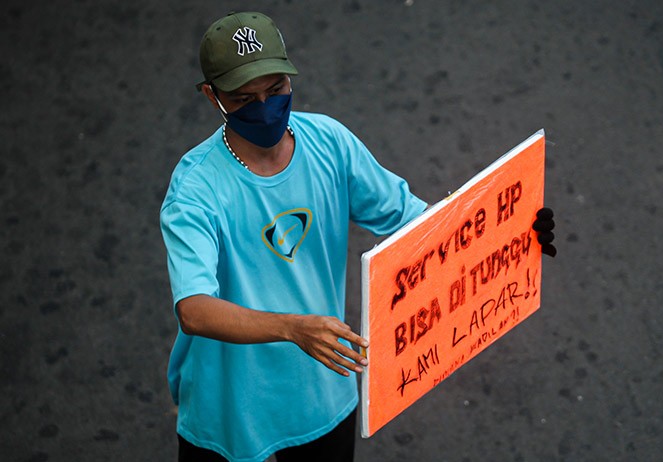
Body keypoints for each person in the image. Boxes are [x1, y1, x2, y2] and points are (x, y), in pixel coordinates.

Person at [160, 11, 556, 462]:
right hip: (228, 405)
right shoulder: (195, 190)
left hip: (322, 384)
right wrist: (292, 328)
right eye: (244, 98)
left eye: (276, 89)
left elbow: (417, 226)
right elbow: (194, 310)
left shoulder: (330, 143)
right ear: (212, 96)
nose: (265, 106)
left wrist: (511, 230)